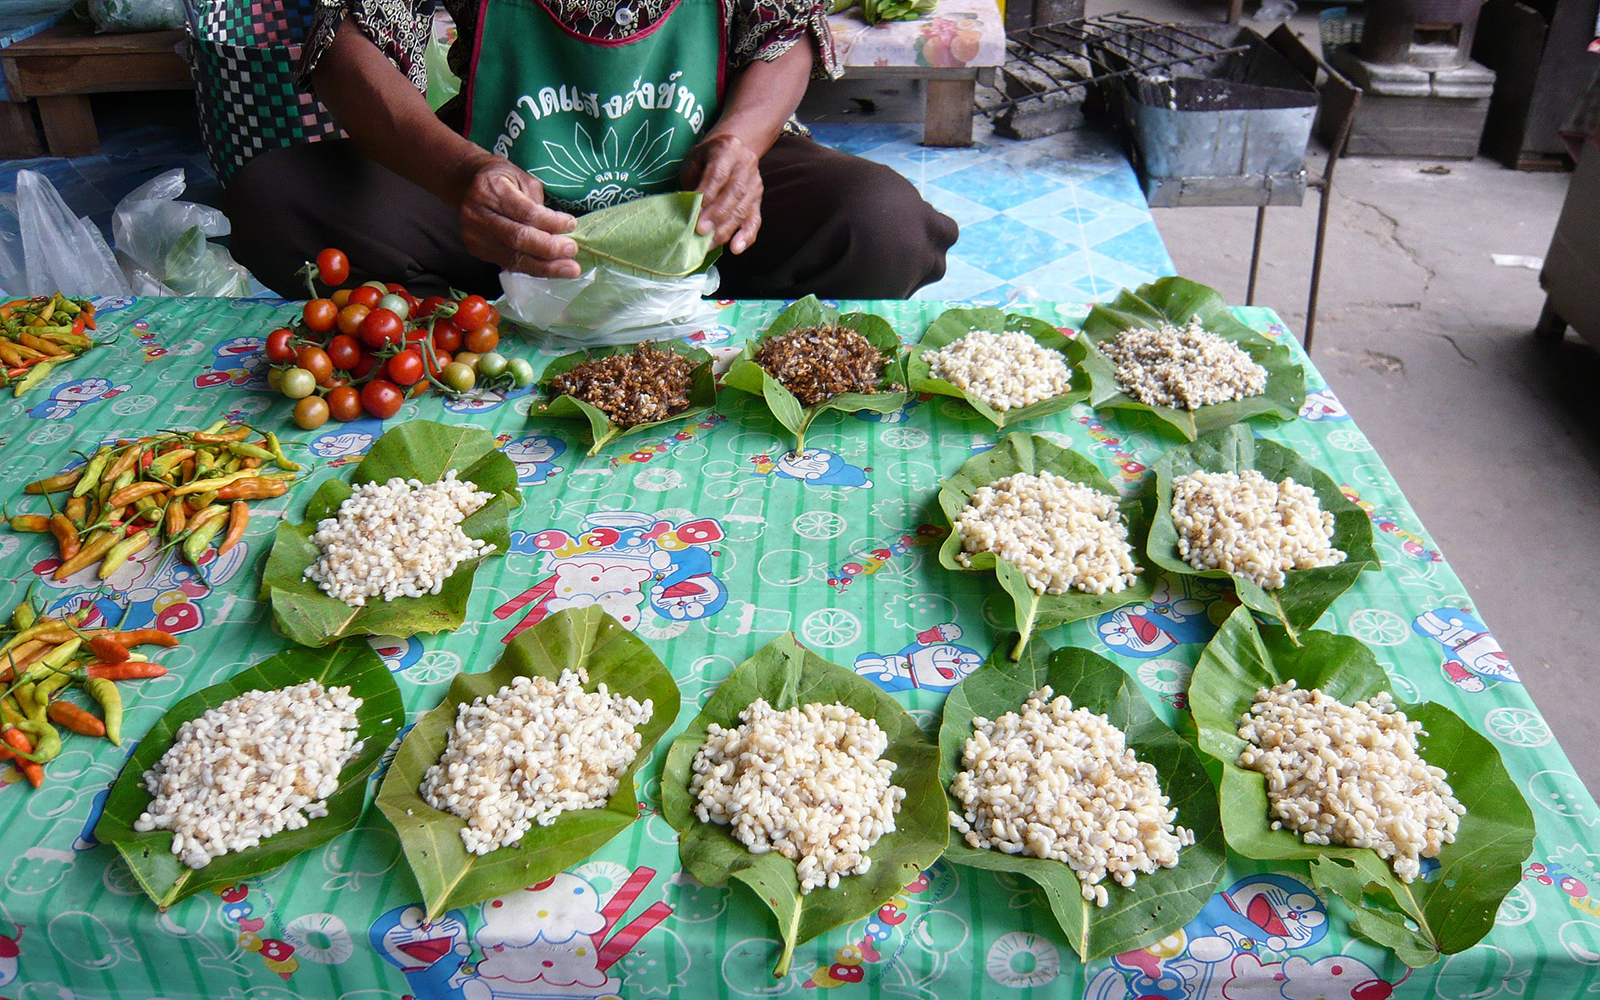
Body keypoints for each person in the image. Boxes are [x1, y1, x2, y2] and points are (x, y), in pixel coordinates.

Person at [224, 0, 959, 300]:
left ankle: (682, 309)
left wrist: (740, 143)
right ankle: (510, 303)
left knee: (883, 227)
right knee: (275, 202)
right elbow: (346, 42)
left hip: (695, 183)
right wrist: (462, 174)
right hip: (502, 187)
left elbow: (783, 32)